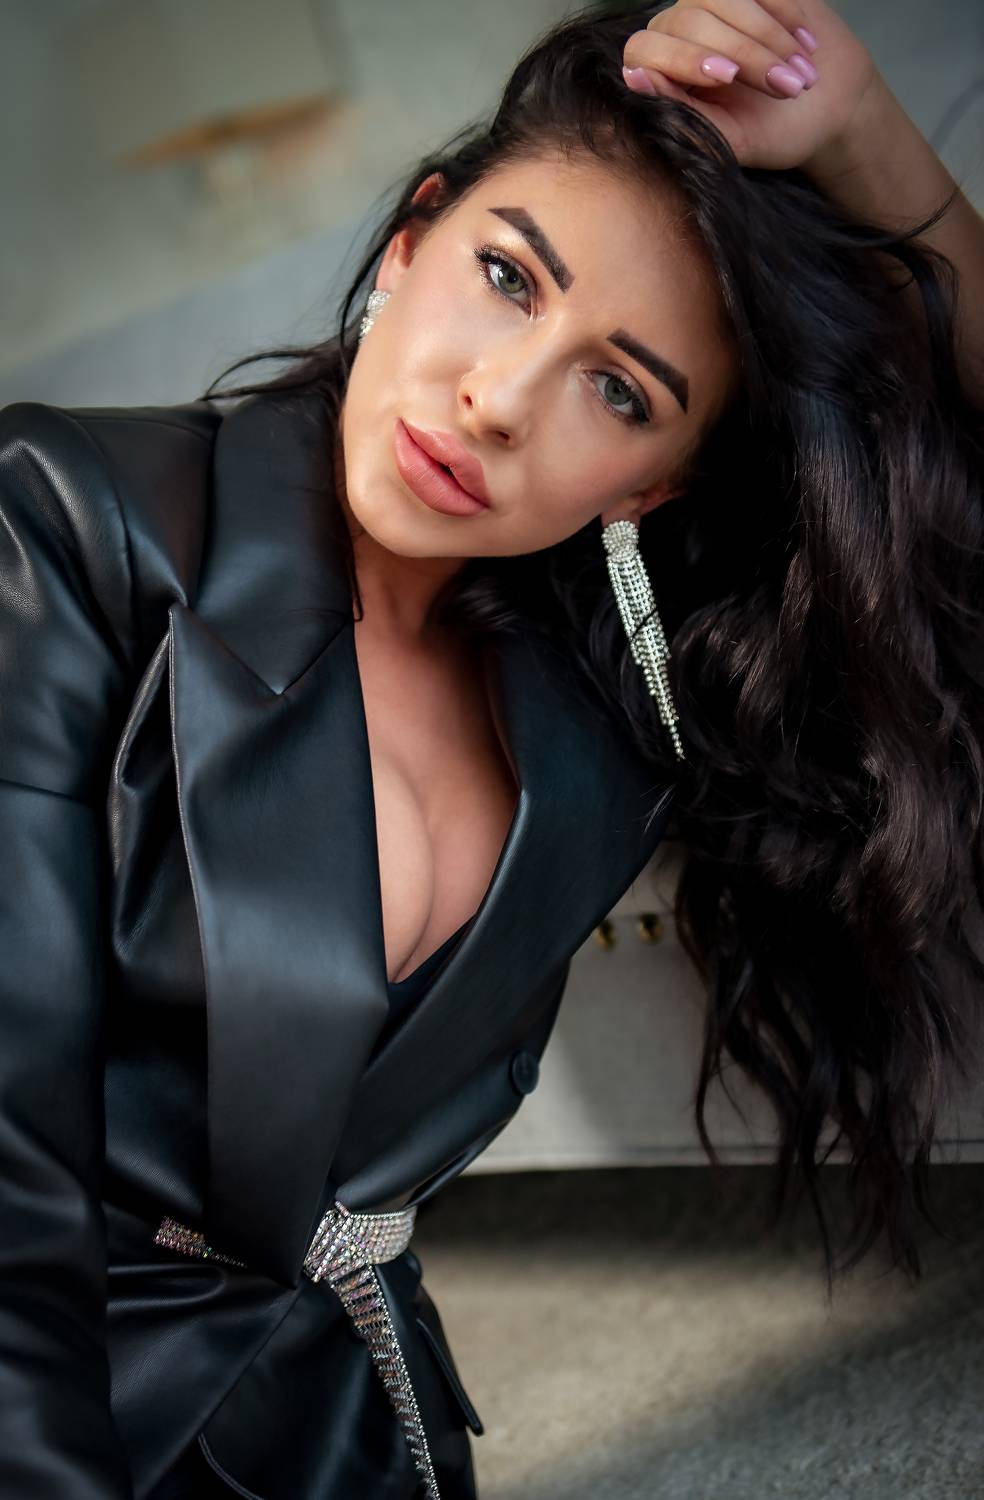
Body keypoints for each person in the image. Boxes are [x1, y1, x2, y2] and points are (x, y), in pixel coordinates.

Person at [1, 1, 982, 1496]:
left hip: (348, 1416)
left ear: (653, 486)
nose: (499, 402)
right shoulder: (68, 517)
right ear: (413, 240)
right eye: (509, 278)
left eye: (618, 389)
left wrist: (862, 130)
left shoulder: (612, 705)